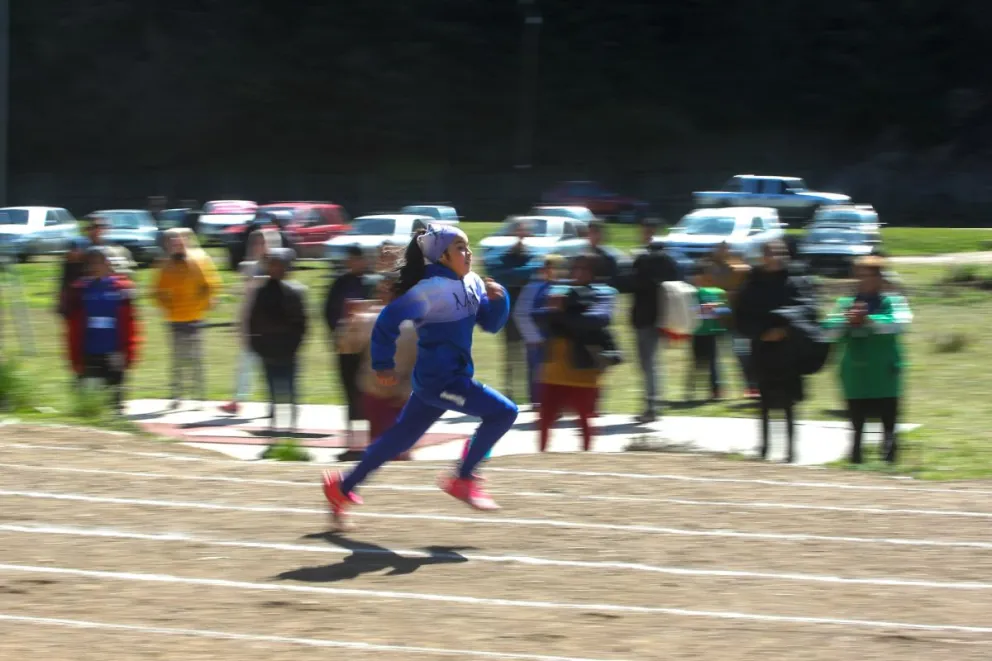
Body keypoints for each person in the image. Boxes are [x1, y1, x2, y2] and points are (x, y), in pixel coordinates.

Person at [322, 224, 516, 528]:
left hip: (440, 380)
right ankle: (463, 477)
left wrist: (500, 299)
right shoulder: (432, 290)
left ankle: (342, 488)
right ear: (441, 256)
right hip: (442, 381)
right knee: (504, 412)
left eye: (468, 247)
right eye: (460, 248)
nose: (469, 253)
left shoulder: (473, 283)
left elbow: (491, 325)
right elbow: (388, 320)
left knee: (399, 440)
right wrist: (383, 364)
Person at [734, 240, 820, 463]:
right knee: (764, 401)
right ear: (764, 257)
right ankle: (764, 448)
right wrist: (760, 333)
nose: (776, 257)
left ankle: (791, 451)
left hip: (789, 349)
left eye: (780, 253)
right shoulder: (753, 283)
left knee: (789, 402)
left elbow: (808, 307)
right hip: (762, 349)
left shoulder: (796, 280)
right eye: (772, 253)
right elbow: (741, 315)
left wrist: (785, 328)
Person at [824, 256, 912, 464]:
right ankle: (856, 456)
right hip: (855, 372)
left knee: (888, 421)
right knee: (856, 421)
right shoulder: (845, 303)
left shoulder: (893, 302)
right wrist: (847, 320)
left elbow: (899, 323)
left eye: (869, 275)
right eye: (860, 275)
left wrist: (869, 320)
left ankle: (889, 458)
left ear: (880, 278)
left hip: (884, 371)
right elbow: (827, 330)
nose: (863, 280)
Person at [534, 253, 621, 452]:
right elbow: (537, 314)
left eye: (585, 269)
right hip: (553, 367)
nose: (579, 273)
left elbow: (600, 318)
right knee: (545, 419)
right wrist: (565, 313)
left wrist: (562, 312)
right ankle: (541, 457)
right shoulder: (559, 289)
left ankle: (586, 460)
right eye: (576, 268)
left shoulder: (603, 293)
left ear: (594, 273)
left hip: (583, 368)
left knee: (584, 420)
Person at [336, 273, 418, 461]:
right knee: (385, 450)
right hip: (376, 394)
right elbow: (345, 346)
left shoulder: (416, 323)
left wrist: (408, 391)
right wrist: (350, 322)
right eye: (382, 290)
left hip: (400, 396)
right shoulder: (369, 320)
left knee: (396, 451)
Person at [614, 218, 682, 422]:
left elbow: (628, 284)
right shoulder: (670, 260)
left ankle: (651, 406)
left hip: (644, 317)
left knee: (648, 363)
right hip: (664, 316)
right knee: (652, 362)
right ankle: (653, 403)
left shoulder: (643, 260)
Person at [65, 247, 140, 414]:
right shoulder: (80, 289)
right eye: (91, 262)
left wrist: (129, 351)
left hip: (113, 351)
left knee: (114, 399)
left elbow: (131, 322)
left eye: (100, 261)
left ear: (109, 264)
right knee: (88, 399)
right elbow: (73, 325)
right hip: (89, 350)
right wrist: (74, 356)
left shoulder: (122, 289)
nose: (95, 266)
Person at [153, 228, 221, 410]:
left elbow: (212, 284)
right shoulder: (166, 266)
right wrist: (168, 307)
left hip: (195, 318)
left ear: (187, 243)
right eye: (173, 243)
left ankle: (200, 397)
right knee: (177, 359)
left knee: (196, 359)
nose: (177, 245)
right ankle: (177, 395)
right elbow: (157, 291)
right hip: (174, 319)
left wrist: (203, 304)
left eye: (180, 242)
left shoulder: (199, 260)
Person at [220, 228, 283, 414]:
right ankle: (238, 399)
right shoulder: (249, 267)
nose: (259, 246)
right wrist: (240, 323)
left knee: (271, 365)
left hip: (271, 324)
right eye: (256, 242)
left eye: (263, 242)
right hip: (253, 322)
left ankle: (275, 403)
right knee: (245, 362)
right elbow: (246, 298)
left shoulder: (277, 266)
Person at [249, 248, 308, 433]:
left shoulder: (294, 292)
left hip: (287, 348)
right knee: (272, 389)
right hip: (267, 348)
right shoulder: (261, 292)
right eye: (272, 265)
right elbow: (253, 320)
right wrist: (257, 345)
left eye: (279, 265)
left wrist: (294, 345)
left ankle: (290, 426)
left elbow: (302, 323)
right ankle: (275, 424)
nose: (275, 269)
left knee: (289, 388)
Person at [323, 245, 371, 456]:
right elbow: (328, 312)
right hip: (345, 348)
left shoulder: (371, 283)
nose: (352, 263)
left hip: (368, 350)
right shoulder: (339, 284)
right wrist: (338, 332)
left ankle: (372, 443)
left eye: (356, 259)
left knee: (369, 396)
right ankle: (353, 445)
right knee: (350, 397)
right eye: (349, 259)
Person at [695, 242, 755, 397]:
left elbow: (747, 277)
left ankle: (751, 387)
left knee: (742, 353)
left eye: (725, 248)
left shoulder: (737, 265)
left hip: (734, 318)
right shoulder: (709, 266)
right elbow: (702, 286)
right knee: (714, 356)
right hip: (715, 318)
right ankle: (717, 390)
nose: (722, 250)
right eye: (719, 248)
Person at [490, 218, 534, 402]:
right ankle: (509, 392)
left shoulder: (532, 257)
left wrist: (514, 274)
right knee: (510, 355)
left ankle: (532, 395)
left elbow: (533, 270)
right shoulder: (501, 257)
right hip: (508, 314)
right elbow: (498, 273)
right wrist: (520, 274)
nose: (520, 237)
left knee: (531, 356)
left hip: (529, 315)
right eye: (517, 232)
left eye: (524, 232)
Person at [512, 254, 565, 408]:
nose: (557, 272)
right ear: (544, 270)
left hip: (560, 340)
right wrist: (534, 337)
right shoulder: (533, 287)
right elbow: (520, 313)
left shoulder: (564, 286)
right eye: (552, 268)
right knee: (539, 373)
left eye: (559, 268)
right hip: (538, 340)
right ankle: (539, 403)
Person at [686, 284, 729, 401]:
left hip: (712, 333)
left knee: (713, 363)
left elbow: (727, 309)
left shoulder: (718, 291)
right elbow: (687, 310)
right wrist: (700, 309)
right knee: (696, 363)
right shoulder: (692, 293)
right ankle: (690, 391)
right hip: (698, 332)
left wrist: (716, 308)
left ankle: (716, 391)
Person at [586, 220, 618, 284]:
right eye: (590, 233)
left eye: (595, 232)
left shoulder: (608, 258)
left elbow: (612, 280)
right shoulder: (583, 255)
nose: (592, 236)